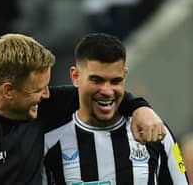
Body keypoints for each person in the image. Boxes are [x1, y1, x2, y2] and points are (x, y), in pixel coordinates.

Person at [0, 34, 165, 185]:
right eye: (39, 89)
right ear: (7, 90)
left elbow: (97, 94)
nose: (47, 95)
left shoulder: (37, 107)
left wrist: (140, 108)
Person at [43, 33, 188, 184]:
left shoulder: (155, 132)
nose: (107, 91)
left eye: (115, 81)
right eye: (96, 80)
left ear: (124, 75)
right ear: (75, 76)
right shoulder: (50, 141)